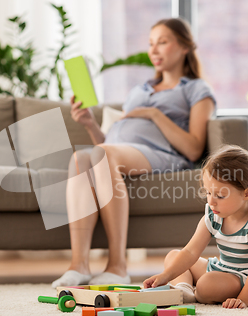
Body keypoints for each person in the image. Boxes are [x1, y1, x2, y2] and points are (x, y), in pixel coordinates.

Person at [51, 18, 217, 288]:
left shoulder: (197, 89)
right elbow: (106, 145)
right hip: (118, 151)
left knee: (103, 154)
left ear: (185, 46)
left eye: (162, 42)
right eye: (151, 44)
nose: (154, 50)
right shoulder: (139, 90)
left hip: (163, 154)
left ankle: (117, 266)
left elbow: (194, 148)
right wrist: (89, 124)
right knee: (81, 157)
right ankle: (78, 265)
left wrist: (154, 114)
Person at [143, 145, 248, 308]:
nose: (211, 201)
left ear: (247, 194)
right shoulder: (213, 215)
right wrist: (165, 276)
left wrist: (244, 299)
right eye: (208, 193)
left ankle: (198, 292)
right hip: (224, 270)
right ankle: (185, 290)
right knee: (174, 256)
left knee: (206, 285)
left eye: (220, 195)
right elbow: (190, 252)